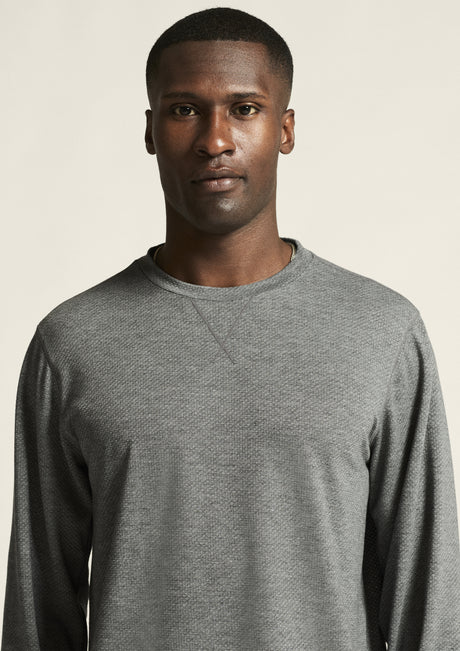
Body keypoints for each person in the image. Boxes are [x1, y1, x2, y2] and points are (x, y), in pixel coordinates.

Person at [2, 7, 459, 650]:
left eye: (244, 109)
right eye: (184, 109)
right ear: (150, 131)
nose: (215, 139)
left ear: (285, 129)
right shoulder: (72, 343)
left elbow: (430, 607)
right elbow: (38, 609)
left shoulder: (381, 331)